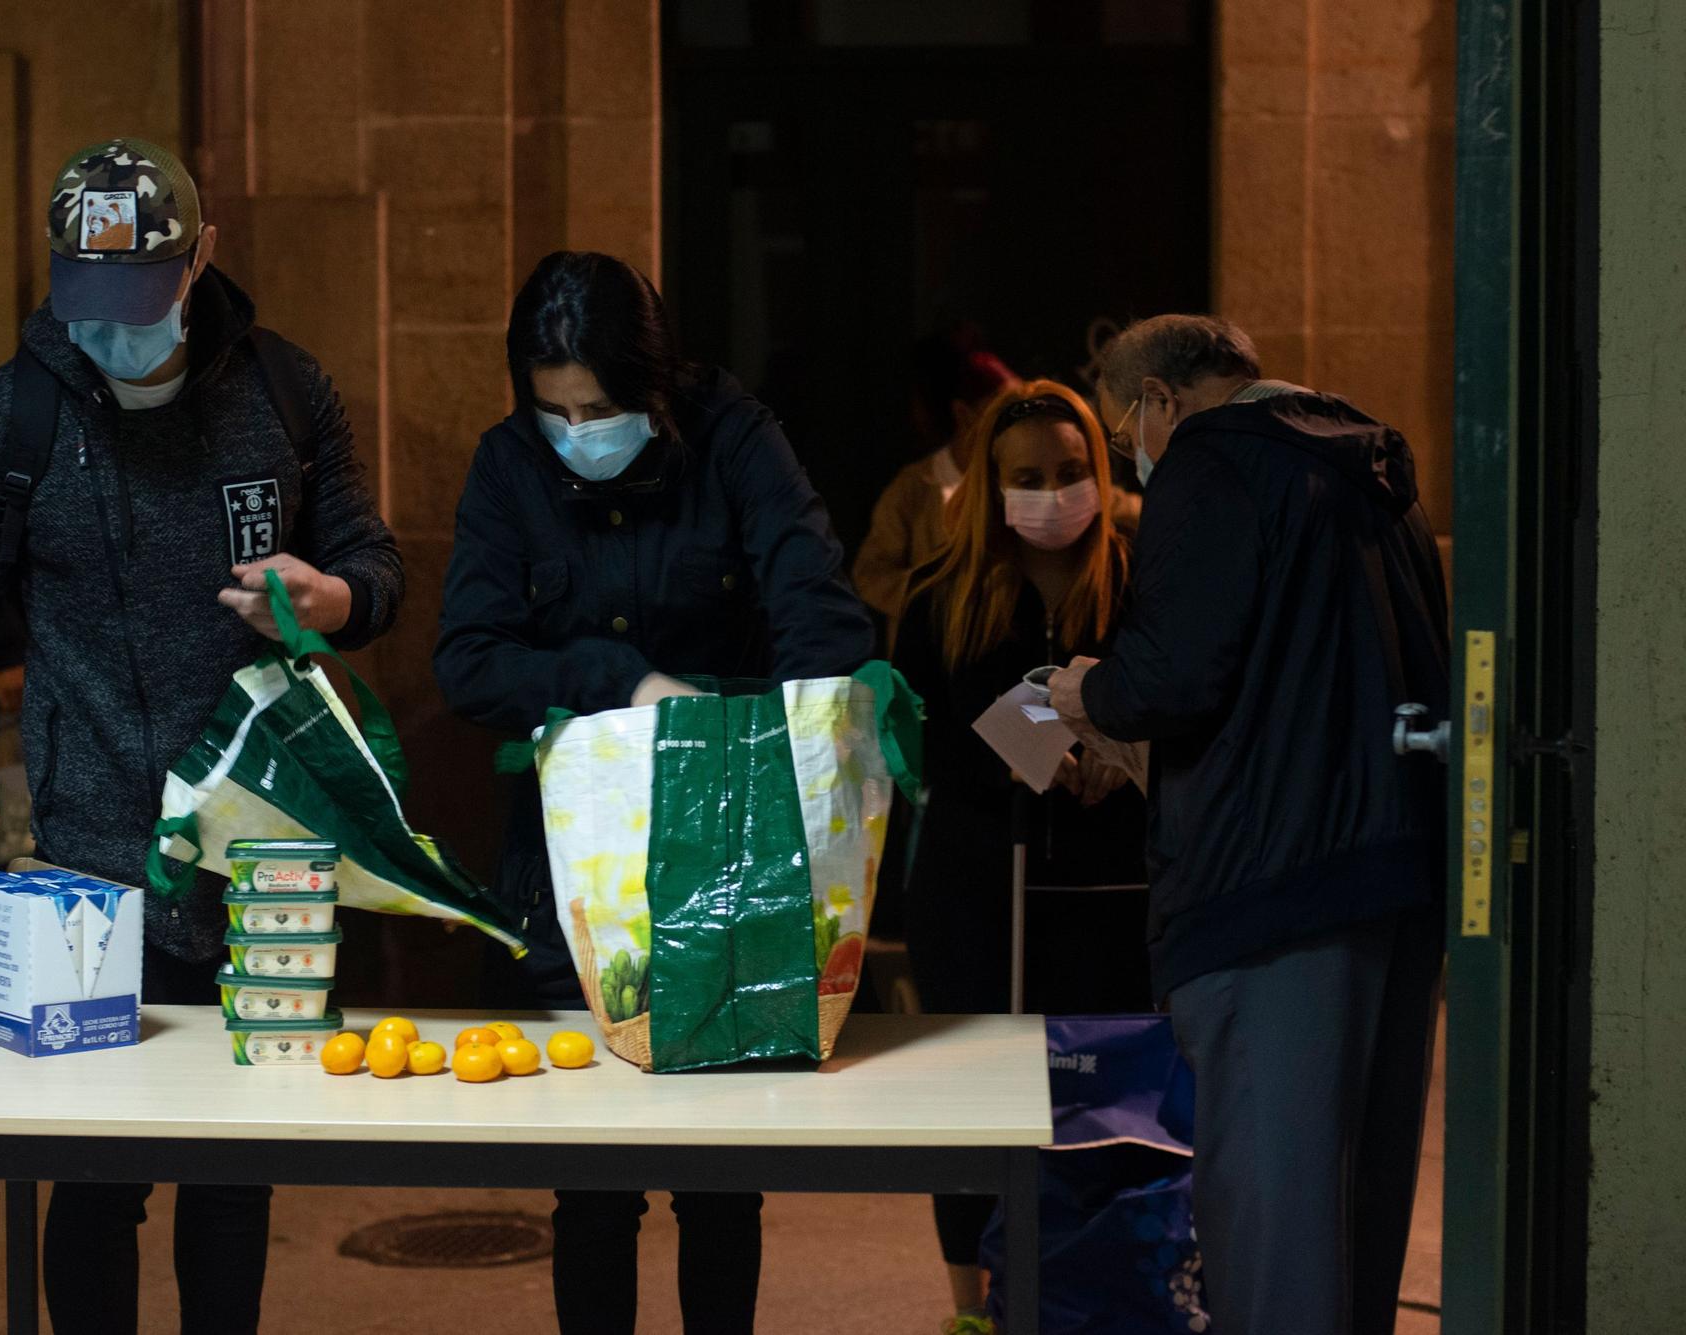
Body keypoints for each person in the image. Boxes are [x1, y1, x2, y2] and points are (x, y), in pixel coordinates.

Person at [0, 137, 402, 1335]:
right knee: (98, 1171)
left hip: (260, 845)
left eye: (138, 303)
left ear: (201, 260)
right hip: (92, 851)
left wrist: (331, 601)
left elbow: (374, 566)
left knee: (232, 1172)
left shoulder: (283, 394)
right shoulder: (5, 420)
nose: (115, 333)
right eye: (90, 305)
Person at [434, 250, 873, 1334]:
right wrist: (616, 681)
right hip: (575, 867)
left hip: (732, 843)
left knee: (719, 1173)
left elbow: (821, 618)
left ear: (656, 387)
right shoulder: (508, 467)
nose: (578, 430)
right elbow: (469, 661)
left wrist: (761, 746)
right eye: (554, 410)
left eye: (601, 406)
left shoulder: (735, 439)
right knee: (590, 1177)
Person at [1049, 314, 1450, 1335]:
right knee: (1352, 1204)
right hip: (1387, 874)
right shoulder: (1365, 464)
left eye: (1124, 425)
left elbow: (1176, 673)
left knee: (1270, 1215)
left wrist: (1091, 690)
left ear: (1157, 401)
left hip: (1265, 887)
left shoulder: (1213, 464)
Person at [891, 380, 1149, 1333]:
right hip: (976, 896)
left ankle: (1112, 1290)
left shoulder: (1144, 579)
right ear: (991, 487)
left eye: (1072, 472)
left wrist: (1120, 761)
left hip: (1111, 896)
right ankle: (972, 1310)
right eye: (1029, 477)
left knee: (1110, 1109)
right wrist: (1047, 755)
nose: (1053, 493)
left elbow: (1183, 698)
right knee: (971, 1117)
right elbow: (930, 736)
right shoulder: (938, 598)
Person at [852, 326, 1018, 647]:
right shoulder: (915, 487)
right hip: (931, 653)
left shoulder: (1018, 475)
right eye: (1001, 412)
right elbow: (870, 573)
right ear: (964, 414)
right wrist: (941, 599)